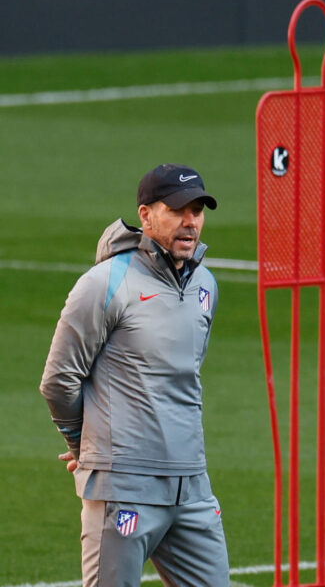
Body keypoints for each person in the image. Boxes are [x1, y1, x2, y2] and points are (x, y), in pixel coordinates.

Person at [39, 163, 230, 586]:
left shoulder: (206, 287)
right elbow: (58, 380)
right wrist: (81, 443)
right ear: (145, 215)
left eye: (197, 210)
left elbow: (186, 379)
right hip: (123, 488)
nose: (190, 222)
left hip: (191, 487)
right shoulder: (105, 283)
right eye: (178, 209)